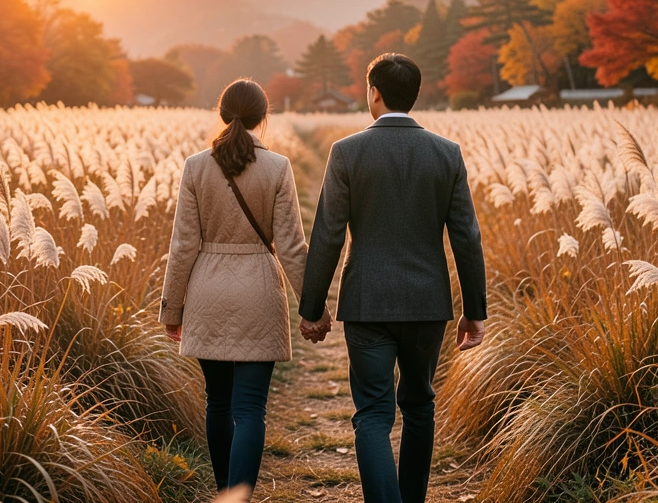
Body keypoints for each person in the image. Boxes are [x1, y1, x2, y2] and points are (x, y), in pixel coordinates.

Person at [298, 52, 487, 503]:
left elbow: (327, 235)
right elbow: (467, 237)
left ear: (374, 93)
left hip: (367, 302)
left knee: (372, 414)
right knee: (420, 405)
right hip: (427, 303)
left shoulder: (346, 152)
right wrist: (474, 312)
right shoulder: (447, 153)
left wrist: (311, 309)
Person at [159, 78, 316, 497]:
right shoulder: (278, 167)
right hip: (259, 291)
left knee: (218, 403)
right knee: (250, 409)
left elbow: (183, 244)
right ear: (264, 117)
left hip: (207, 289)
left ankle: (224, 490)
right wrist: (312, 308)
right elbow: (291, 245)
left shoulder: (196, 166)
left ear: (223, 113)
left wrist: (172, 310)